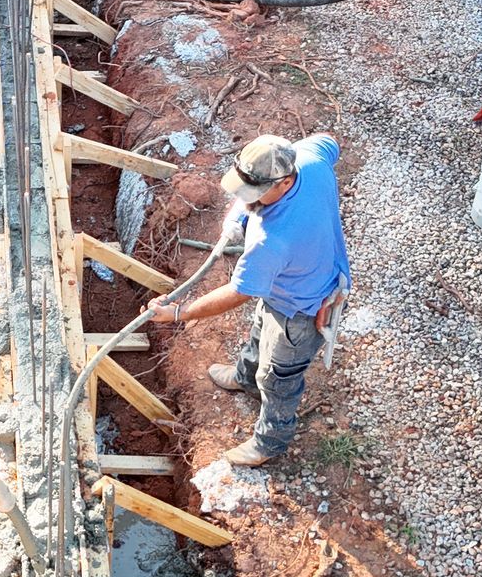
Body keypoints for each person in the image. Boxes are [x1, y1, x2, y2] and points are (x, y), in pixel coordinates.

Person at [146, 134, 351, 468]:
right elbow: (329, 141)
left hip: (301, 310)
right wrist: (239, 217)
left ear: (285, 182)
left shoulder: (273, 243)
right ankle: (245, 378)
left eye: (253, 195)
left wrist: (178, 313)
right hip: (289, 283)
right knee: (259, 329)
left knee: (279, 379)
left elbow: (238, 292)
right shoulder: (309, 159)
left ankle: (269, 443)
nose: (246, 199)